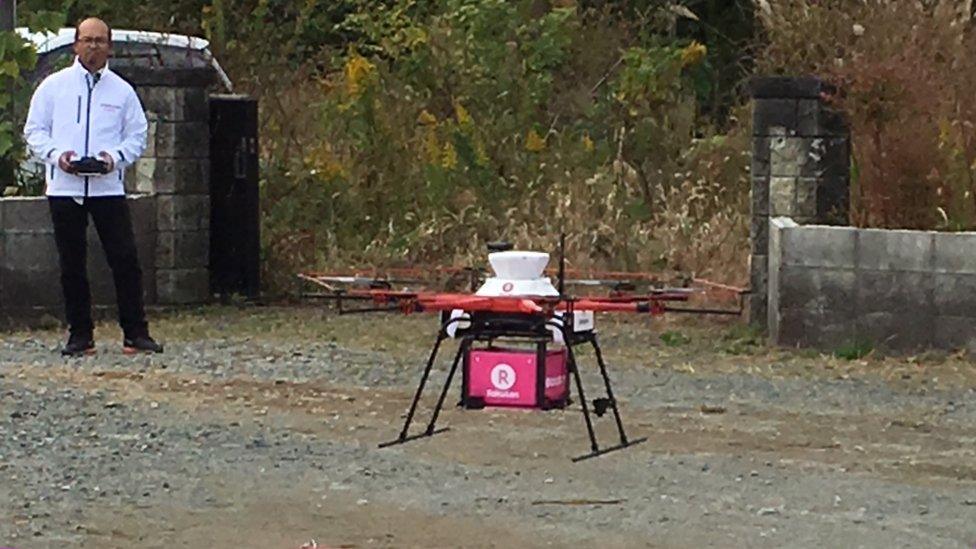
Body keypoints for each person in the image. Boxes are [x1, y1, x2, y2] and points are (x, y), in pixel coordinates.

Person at [23, 17, 163, 356]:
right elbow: (34, 131)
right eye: (87, 40)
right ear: (76, 45)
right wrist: (58, 156)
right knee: (72, 264)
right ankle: (80, 335)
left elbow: (136, 136)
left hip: (107, 189)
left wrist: (113, 159)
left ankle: (135, 333)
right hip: (64, 188)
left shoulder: (122, 91)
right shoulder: (53, 87)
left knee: (125, 259)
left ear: (109, 46)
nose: (93, 47)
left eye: (100, 41)